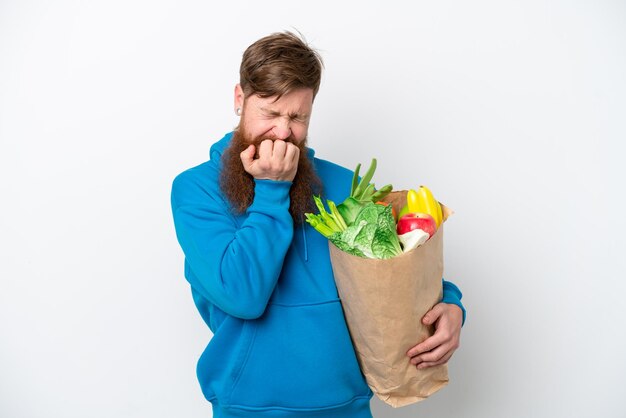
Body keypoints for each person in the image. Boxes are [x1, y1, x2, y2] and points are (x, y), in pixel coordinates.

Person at [171, 31, 465, 418]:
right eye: (271, 114)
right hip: (248, 408)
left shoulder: (345, 185)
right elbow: (243, 295)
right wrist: (272, 189)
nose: (282, 132)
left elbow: (398, 267)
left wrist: (453, 306)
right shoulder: (195, 189)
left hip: (348, 406)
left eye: (297, 117)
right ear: (240, 100)